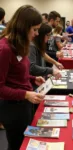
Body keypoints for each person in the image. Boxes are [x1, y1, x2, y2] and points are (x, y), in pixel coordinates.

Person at [0, 5, 45, 150]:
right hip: (12, 109)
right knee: (17, 145)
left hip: (23, 104)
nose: (37, 33)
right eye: (35, 29)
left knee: (25, 143)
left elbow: (17, 73)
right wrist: (25, 94)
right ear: (23, 27)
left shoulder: (19, 44)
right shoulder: (4, 49)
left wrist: (32, 78)